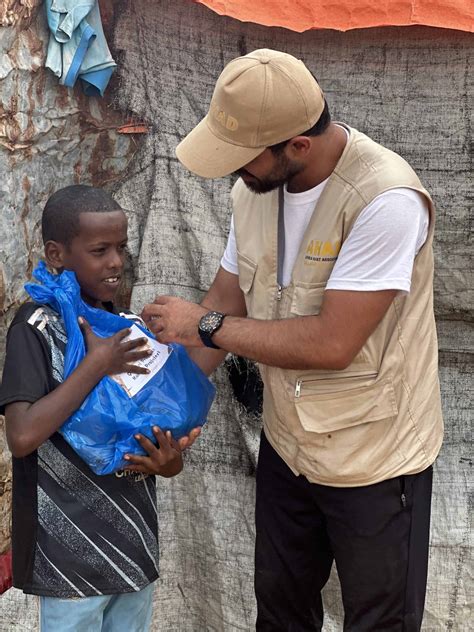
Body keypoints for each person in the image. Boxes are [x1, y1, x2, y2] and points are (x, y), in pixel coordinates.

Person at [142, 49, 444, 631]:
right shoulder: (250, 193)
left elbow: (332, 343)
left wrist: (201, 325)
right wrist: (157, 412)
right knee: (280, 614)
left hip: (375, 458)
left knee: (379, 622)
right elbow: (225, 305)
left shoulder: (386, 200)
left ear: (297, 146)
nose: (234, 171)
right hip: (289, 447)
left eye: (243, 157)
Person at [0, 185, 200, 632]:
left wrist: (169, 462)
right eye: (99, 250)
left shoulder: (130, 328)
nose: (115, 261)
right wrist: (95, 365)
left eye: (121, 248)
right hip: (68, 558)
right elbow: (22, 435)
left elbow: (156, 432)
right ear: (57, 254)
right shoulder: (35, 329)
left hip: (133, 549)